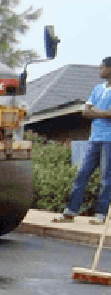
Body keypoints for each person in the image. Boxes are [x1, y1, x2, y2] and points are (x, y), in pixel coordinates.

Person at [53, 56, 111, 226]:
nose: (100, 71)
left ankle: (100, 215)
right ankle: (70, 211)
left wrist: (97, 112)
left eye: (102, 68)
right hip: (94, 138)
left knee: (106, 179)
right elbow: (85, 112)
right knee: (82, 174)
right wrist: (104, 112)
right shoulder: (97, 89)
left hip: (109, 140)